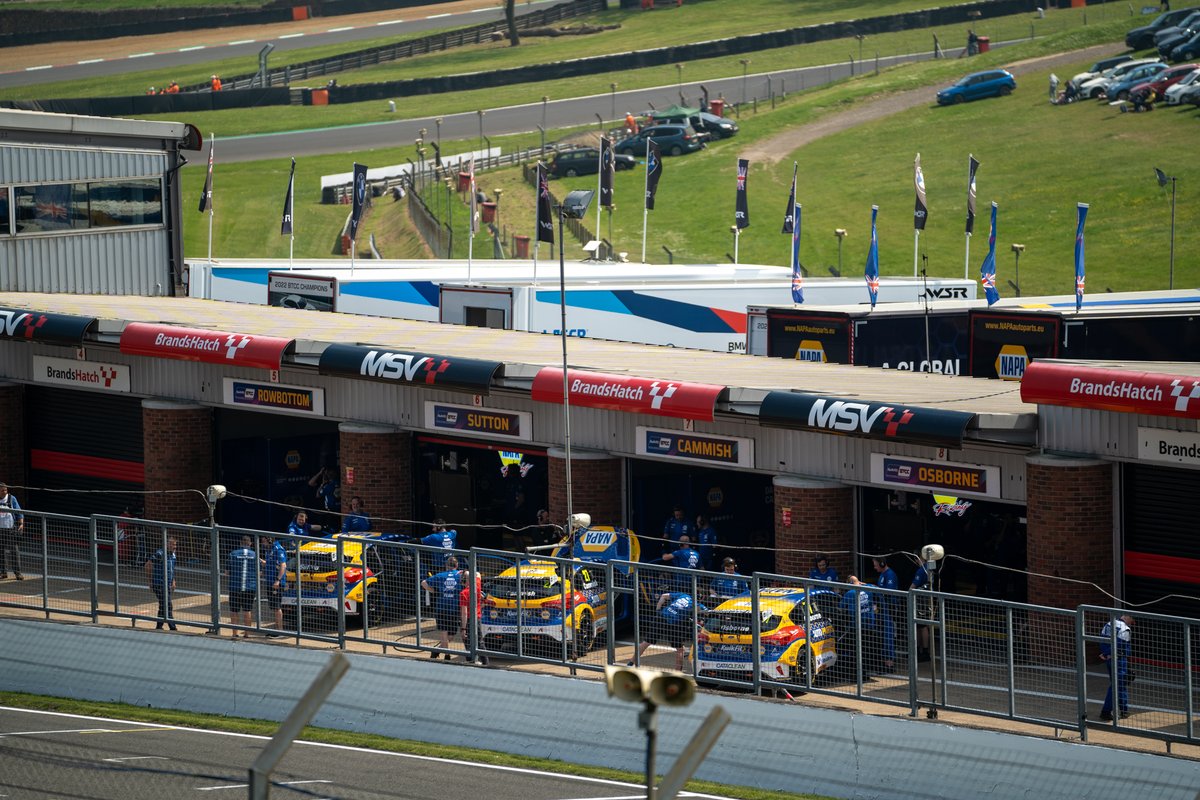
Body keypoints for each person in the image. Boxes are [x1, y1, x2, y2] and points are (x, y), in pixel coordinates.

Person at [631, 591, 703, 671]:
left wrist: (658, 609)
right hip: (674, 624)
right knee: (680, 649)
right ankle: (677, 672)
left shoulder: (683, 595)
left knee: (646, 642)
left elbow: (663, 596)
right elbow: (705, 612)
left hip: (661, 617)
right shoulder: (698, 605)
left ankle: (631, 663)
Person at [421, 554, 462, 659]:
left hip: (446, 609)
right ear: (457, 565)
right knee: (446, 634)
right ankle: (447, 655)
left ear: (446, 565)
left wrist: (432, 591)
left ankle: (436, 651)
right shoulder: (460, 575)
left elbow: (423, 583)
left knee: (449, 636)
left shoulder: (440, 575)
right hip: (449, 608)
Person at [1099, 614, 1134, 721]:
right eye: (1132, 620)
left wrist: (1105, 654)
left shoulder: (1109, 624)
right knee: (1117, 685)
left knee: (1120, 684)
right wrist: (1107, 653)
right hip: (1119, 659)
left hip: (1110, 659)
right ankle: (1106, 712)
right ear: (1127, 617)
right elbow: (1119, 645)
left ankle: (1124, 710)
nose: (1131, 623)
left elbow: (1102, 640)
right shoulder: (1125, 629)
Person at [227, 535, 262, 638]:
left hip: (235, 586)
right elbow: (260, 573)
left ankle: (235, 633)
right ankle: (247, 633)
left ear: (240, 543)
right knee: (247, 610)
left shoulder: (233, 554)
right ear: (250, 543)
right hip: (250, 587)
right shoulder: (255, 555)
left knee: (234, 610)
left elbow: (227, 572)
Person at [144, 536, 177, 631]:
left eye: (175, 545)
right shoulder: (159, 554)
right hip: (159, 584)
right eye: (172, 545)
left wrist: (173, 581)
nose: (174, 547)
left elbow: (172, 569)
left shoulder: (173, 555)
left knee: (163, 605)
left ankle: (159, 626)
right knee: (168, 604)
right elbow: (148, 565)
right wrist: (150, 581)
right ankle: (172, 627)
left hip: (167, 585)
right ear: (167, 545)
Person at [458, 564, 487, 665]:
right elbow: (478, 574)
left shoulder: (463, 593)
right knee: (480, 642)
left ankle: (471, 662)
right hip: (477, 618)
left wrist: (463, 629)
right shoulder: (477, 586)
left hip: (469, 620)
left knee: (468, 642)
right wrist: (467, 573)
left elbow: (464, 613)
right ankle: (486, 663)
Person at [873, 556, 899, 670]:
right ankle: (884, 661)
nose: (874, 567)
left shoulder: (890, 575)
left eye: (875, 565)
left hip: (889, 609)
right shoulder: (882, 575)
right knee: (883, 635)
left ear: (882, 564)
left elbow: (888, 592)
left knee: (888, 635)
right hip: (883, 609)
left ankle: (889, 663)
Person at [263, 534, 288, 634]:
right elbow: (270, 563)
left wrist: (278, 580)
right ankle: (277, 628)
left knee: (277, 607)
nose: (263, 543)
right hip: (270, 581)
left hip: (276, 583)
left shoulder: (278, 549)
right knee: (274, 607)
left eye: (264, 541)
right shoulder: (269, 549)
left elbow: (283, 565)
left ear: (269, 540)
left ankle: (280, 630)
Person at [0, 482, 25, 581]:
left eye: (5, 490)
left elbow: (19, 512)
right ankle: (3, 572)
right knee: (1, 552)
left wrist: (21, 523)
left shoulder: (12, 499)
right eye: (2, 490)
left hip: (11, 529)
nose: (4, 492)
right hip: (0, 529)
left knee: (14, 550)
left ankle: (18, 573)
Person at [910, 559, 932, 661]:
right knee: (919, 626)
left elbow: (913, 586)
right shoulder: (929, 568)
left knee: (922, 626)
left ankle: (925, 652)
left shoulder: (921, 570)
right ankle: (919, 650)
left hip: (921, 601)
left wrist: (908, 593)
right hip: (925, 600)